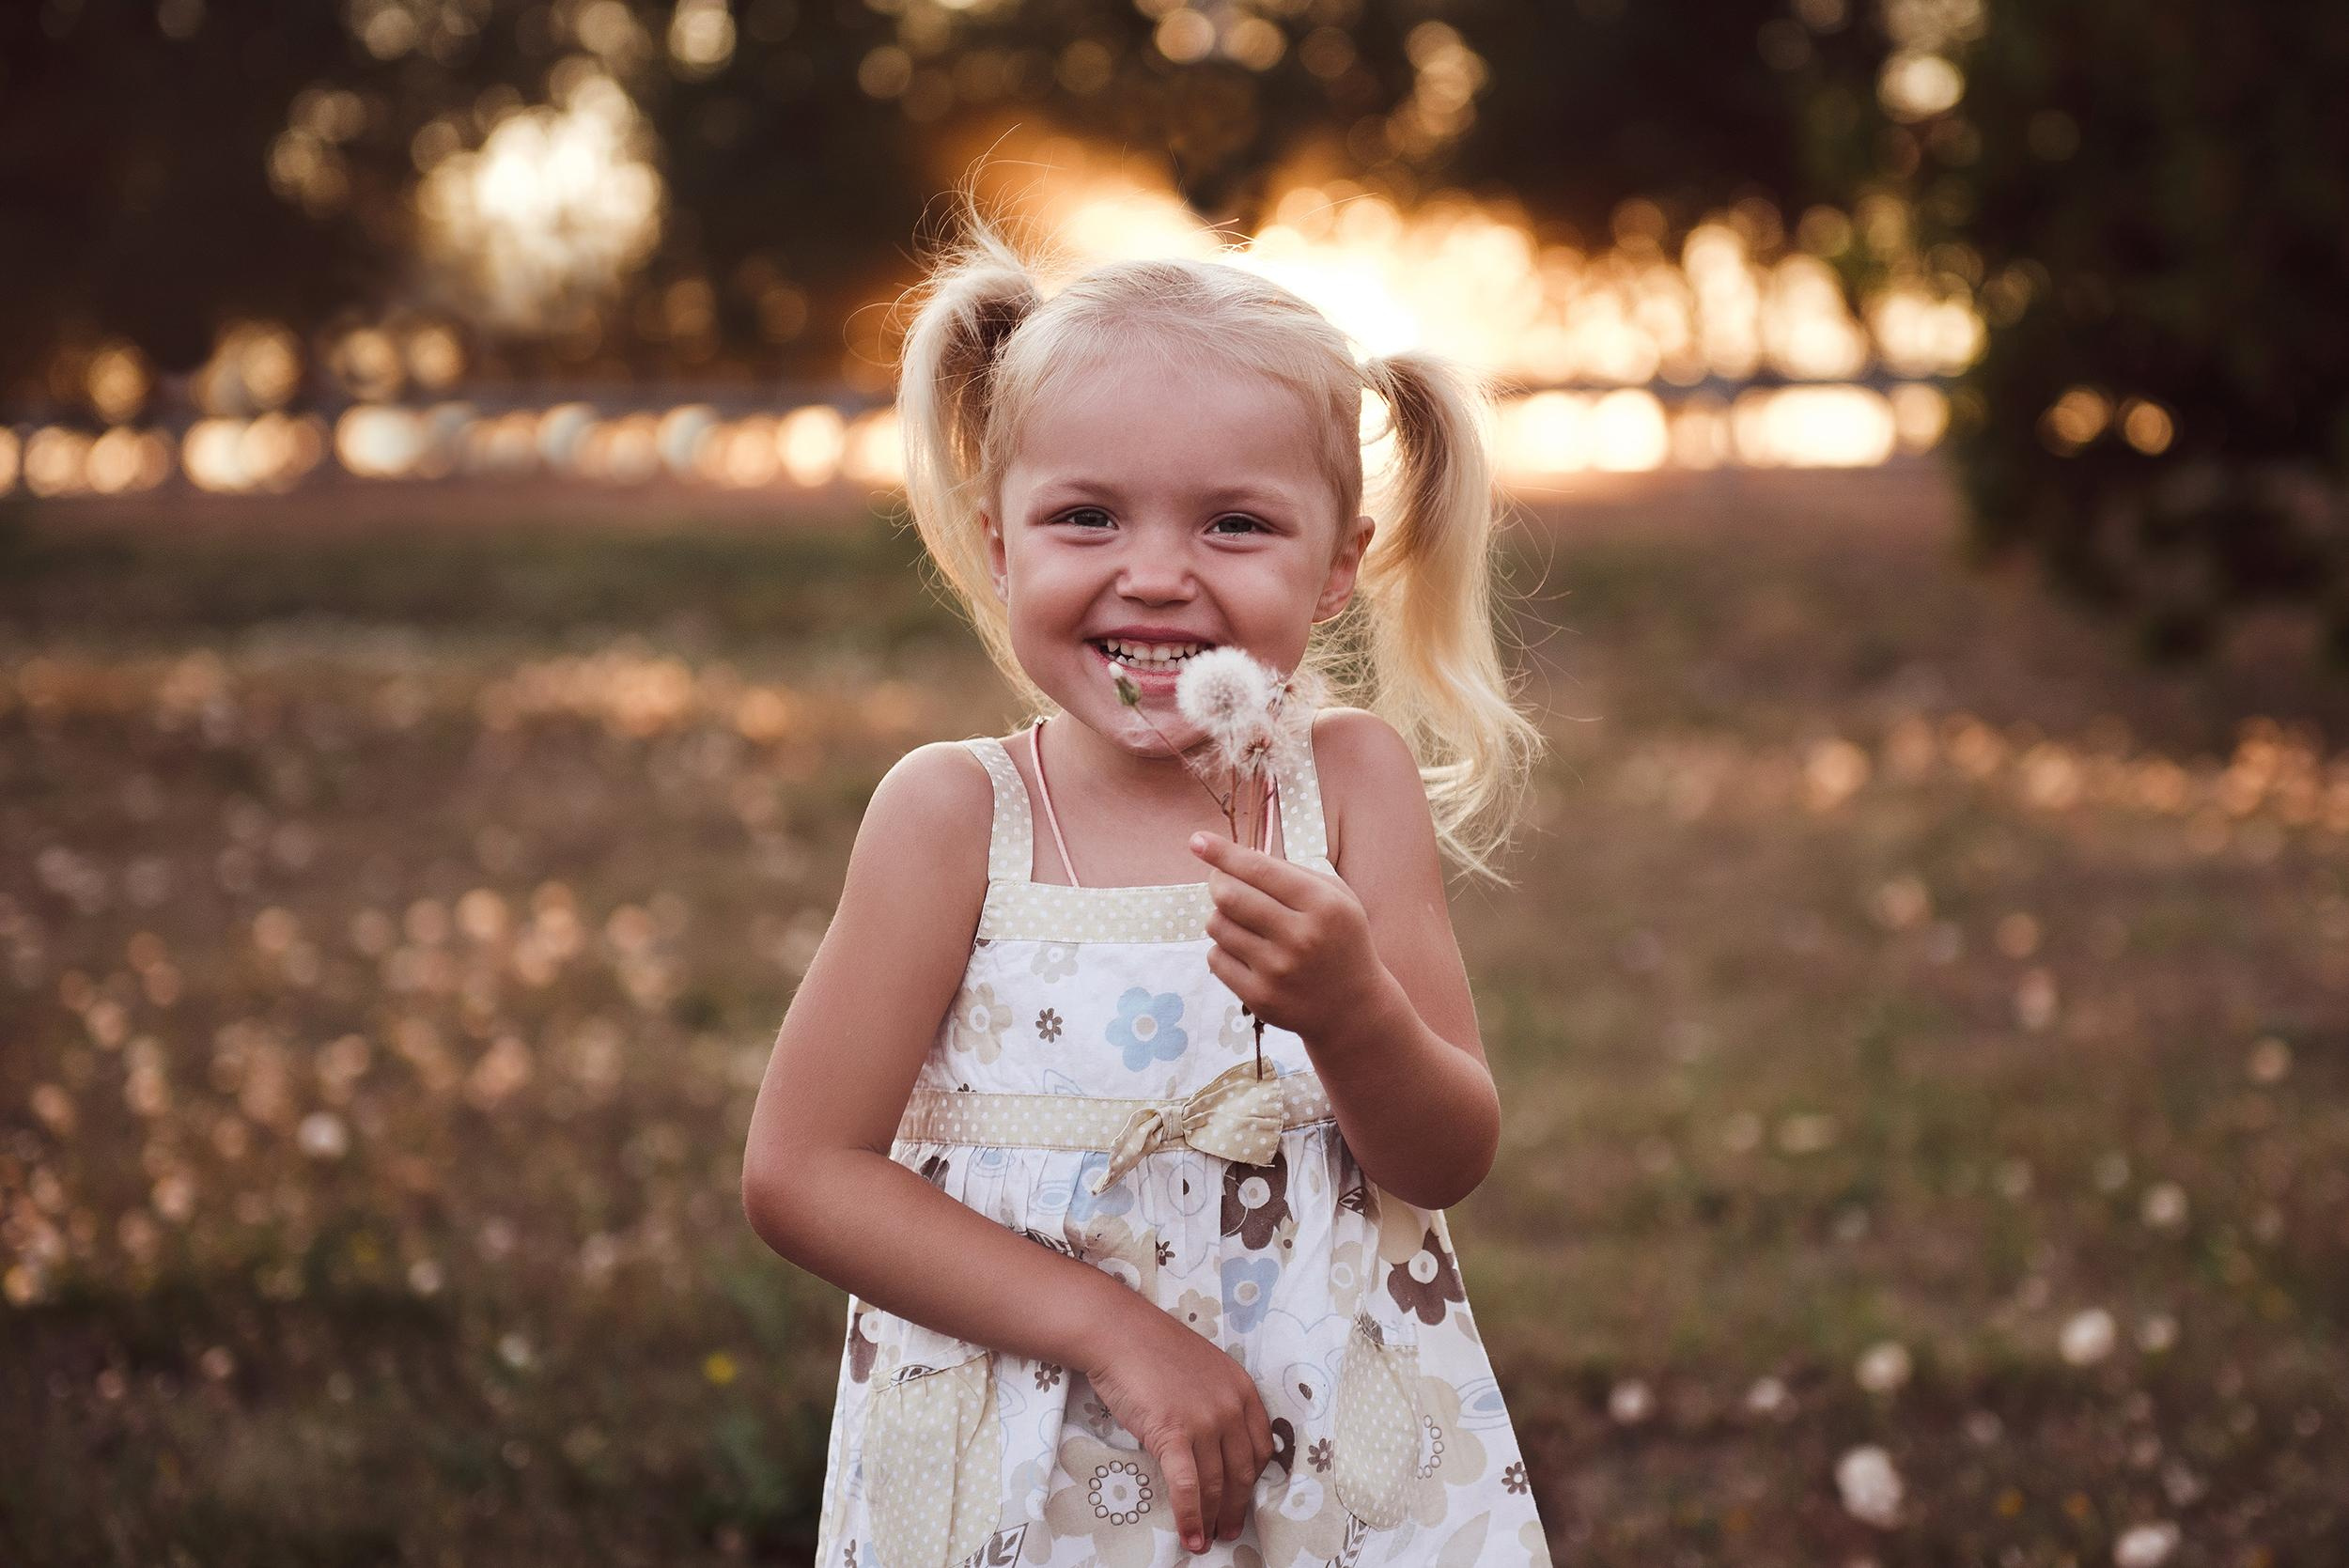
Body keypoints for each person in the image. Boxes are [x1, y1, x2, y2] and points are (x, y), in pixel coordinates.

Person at [740, 205, 1553, 1568]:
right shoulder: (956, 817)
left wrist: (1352, 1010)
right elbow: (802, 1171)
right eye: (1086, 516)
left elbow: (1446, 1155)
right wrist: (1118, 1333)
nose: (1158, 574)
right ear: (1000, 545)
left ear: (1339, 562)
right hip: (1030, 1479)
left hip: (1320, 1481)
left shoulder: (1346, 788)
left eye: (1236, 522)